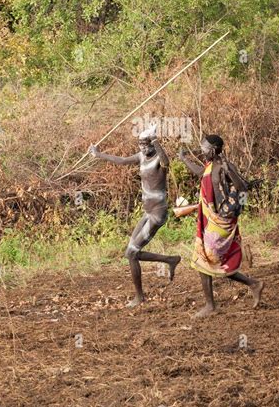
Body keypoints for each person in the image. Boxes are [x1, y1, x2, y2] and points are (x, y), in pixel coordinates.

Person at [89, 124, 181, 308]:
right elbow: (122, 160)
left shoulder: (158, 159)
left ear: (153, 144)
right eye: (140, 143)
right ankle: (170, 259)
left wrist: (155, 139)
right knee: (130, 252)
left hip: (157, 213)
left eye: (146, 143)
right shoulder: (140, 156)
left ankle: (140, 297)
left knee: (132, 253)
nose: (142, 147)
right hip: (147, 212)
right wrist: (98, 154)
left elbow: (166, 162)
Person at [179, 134, 264, 318]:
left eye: (204, 149)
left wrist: (229, 170)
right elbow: (201, 173)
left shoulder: (225, 167)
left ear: (213, 150)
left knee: (206, 260)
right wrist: (184, 159)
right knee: (210, 261)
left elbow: (242, 189)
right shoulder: (210, 167)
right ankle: (252, 284)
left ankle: (212, 305)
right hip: (213, 219)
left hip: (221, 222)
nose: (202, 153)